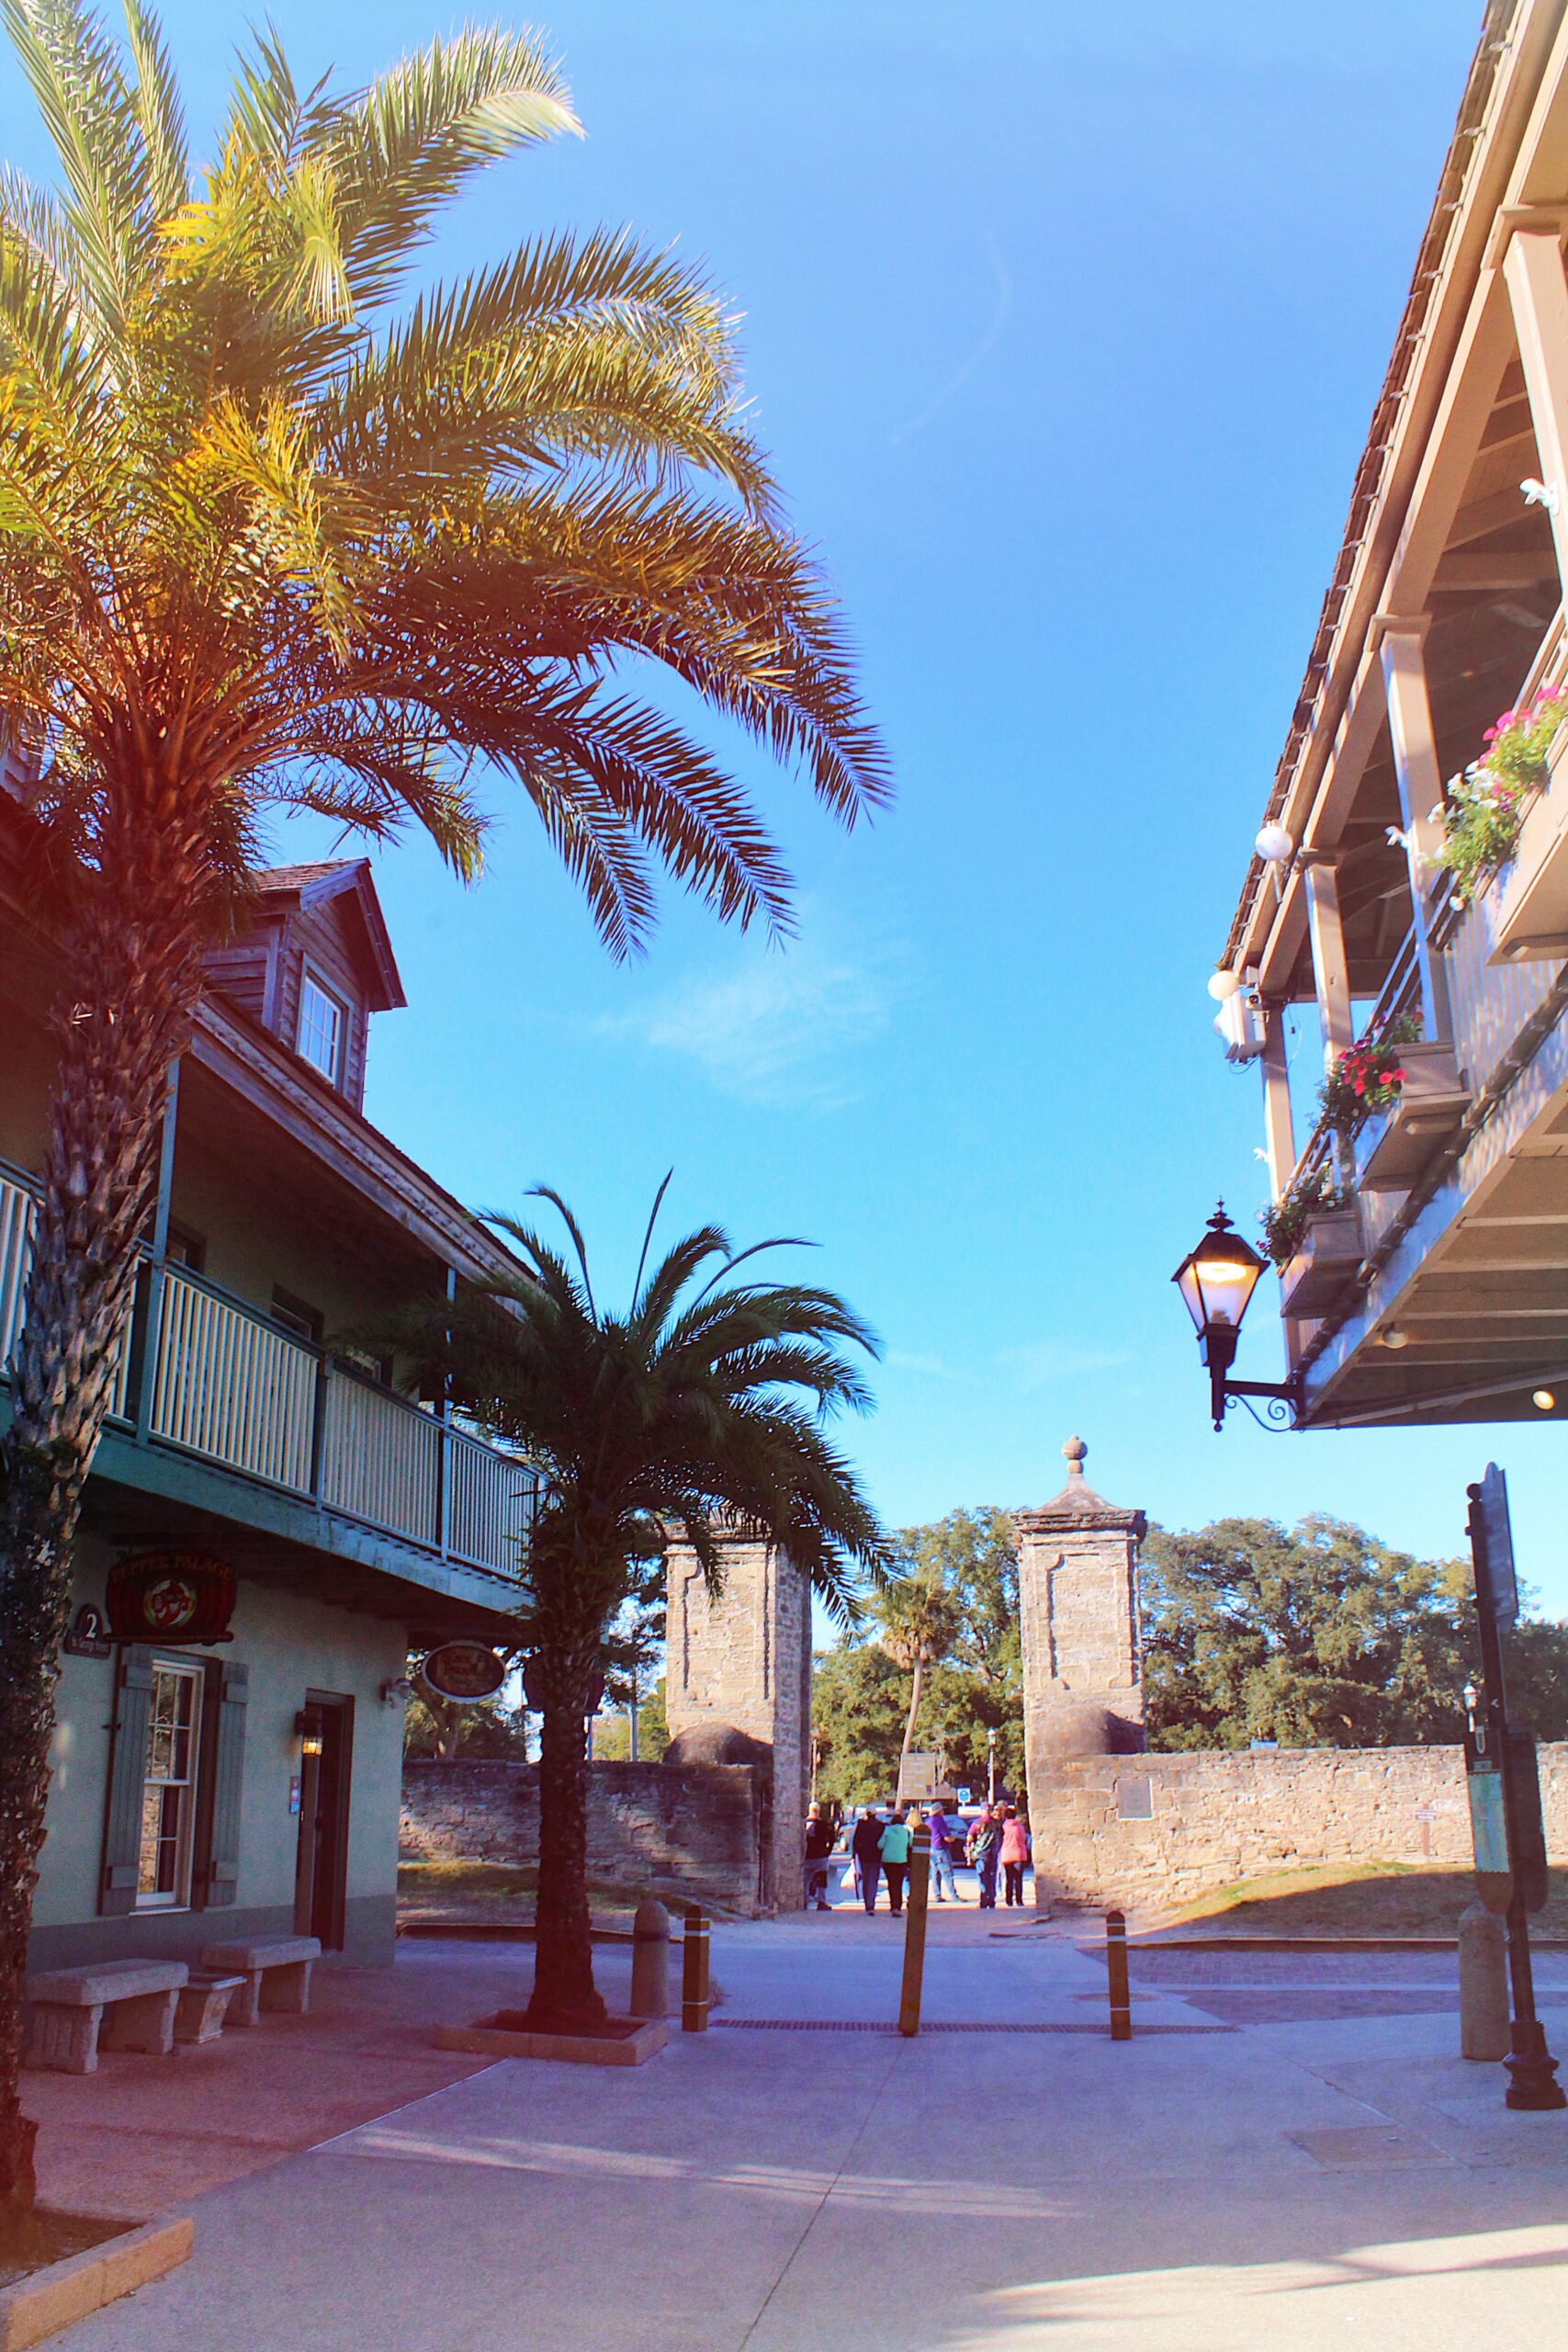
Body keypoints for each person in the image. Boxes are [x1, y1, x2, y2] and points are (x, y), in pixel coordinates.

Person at [851, 1807, 885, 1914]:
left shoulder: (861, 1825)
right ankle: (871, 1903)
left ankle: (867, 1903)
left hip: (864, 1856)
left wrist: (854, 1853)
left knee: (866, 1879)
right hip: (876, 1856)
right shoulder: (880, 1826)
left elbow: (855, 1840)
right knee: (873, 1880)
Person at [879, 1806, 912, 1916]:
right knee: (898, 1883)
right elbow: (910, 1844)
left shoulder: (887, 1831)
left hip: (887, 1860)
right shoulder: (906, 1832)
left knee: (891, 1883)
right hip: (901, 1859)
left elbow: (880, 1845)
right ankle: (898, 1906)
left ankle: (893, 1905)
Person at [967, 1804, 1000, 1910]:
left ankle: (983, 1899)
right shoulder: (996, 1823)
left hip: (981, 1854)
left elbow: (969, 1838)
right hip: (993, 1854)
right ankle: (991, 1900)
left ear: (981, 1811)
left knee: (982, 1877)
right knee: (992, 1877)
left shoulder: (977, 1823)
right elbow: (1001, 1837)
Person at [804, 1802, 835, 1910]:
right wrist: (828, 1851)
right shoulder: (823, 1825)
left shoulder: (803, 1824)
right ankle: (821, 1902)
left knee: (805, 1880)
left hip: (806, 1855)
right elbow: (832, 1838)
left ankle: (804, 1901)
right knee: (822, 1878)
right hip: (820, 1856)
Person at [925, 1801, 958, 1904]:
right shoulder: (939, 1820)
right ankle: (953, 1895)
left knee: (935, 1874)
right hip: (941, 1849)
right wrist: (953, 1838)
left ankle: (937, 1895)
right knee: (947, 1872)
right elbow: (947, 1837)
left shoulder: (928, 1821)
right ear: (939, 1811)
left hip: (932, 1849)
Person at [999, 1805, 1031, 1906]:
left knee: (1009, 1878)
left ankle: (1009, 1900)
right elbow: (1024, 1839)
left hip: (1007, 1854)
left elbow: (1000, 1840)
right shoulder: (1020, 1827)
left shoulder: (1003, 1827)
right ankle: (1019, 1900)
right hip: (1019, 1854)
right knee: (1018, 1879)